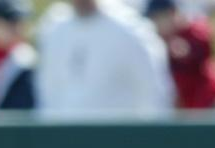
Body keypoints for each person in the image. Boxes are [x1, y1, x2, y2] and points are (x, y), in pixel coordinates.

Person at [35, 0, 174, 116]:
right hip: (65, 141)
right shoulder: (54, 30)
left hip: (119, 142)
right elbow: (47, 95)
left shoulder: (130, 31)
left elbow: (155, 96)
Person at [144, 0, 215, 109]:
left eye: (159, 17)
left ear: (173, 14)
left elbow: (204, 52)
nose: (156, 23)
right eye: (153, 18)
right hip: (182, 111)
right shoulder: (154, 41)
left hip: (210, 104)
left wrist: (187, 52)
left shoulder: (194, 30)